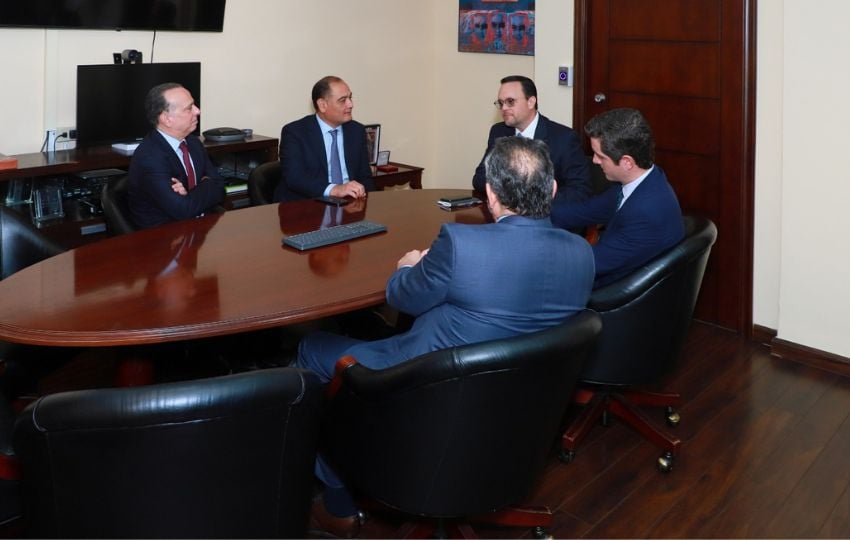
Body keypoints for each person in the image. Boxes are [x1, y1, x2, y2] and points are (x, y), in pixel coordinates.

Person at [299, 136, 595, 538]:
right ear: (554, 189)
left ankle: (338, 502)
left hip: (426, 391)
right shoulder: (582, 253)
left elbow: (402, 297)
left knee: (312, 348)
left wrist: (408, 267)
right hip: (519, 408)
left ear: (490, 194)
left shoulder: (461, 244)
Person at [551, 107, 684, 288]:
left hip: (608, 298)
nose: (595, 161)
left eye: (600, 156)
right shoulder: (642, 182)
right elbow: (582, 212)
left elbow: (590, 264)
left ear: (627, 162)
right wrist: (526, 211)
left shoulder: (646, 212)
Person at [472, 75, 591, 203]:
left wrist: (530, 199)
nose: (504, 108)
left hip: (547, 214)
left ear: (531, 102)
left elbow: (580, 190)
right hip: (506, 212)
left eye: (510, 101)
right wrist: (511, 195)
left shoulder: (564, 138)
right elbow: (480, 177)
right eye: (501, 103)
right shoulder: (498, 131)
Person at [128, 82, 226, 229]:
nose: (197, 111)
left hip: (198, 230)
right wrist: (206, 183)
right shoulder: (150, 157)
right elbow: (183, 210)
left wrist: (189, 194)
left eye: (194, 105)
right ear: (167, 119)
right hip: (163, 240)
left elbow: (220, 186)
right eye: (189, 108)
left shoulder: (193, 143)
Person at [273, 76, 374, 202]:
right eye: (343, 100)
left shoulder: (356, 131)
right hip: (307, 205)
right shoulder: (295, 132)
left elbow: (365, 176)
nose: (350, 104)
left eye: (350, 98)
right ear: (322, 105)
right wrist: (335, 189)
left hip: (349, 205)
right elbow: (295, 178)